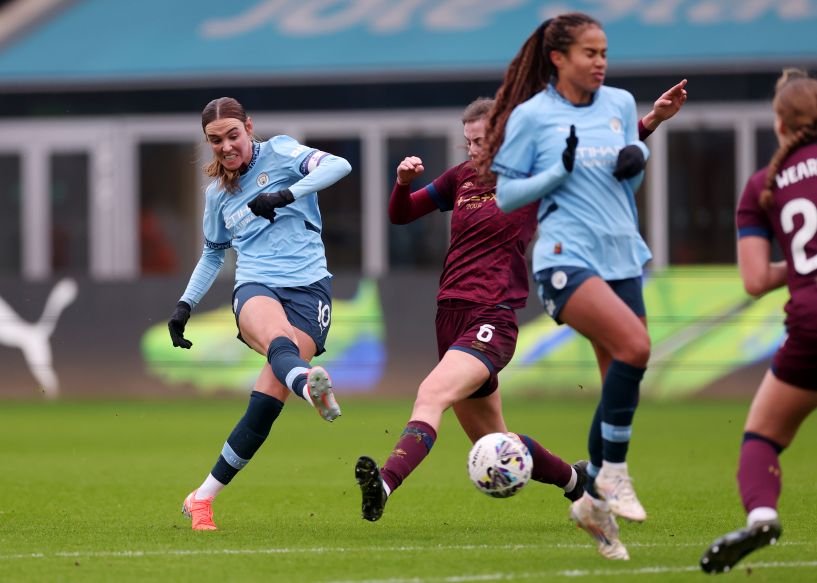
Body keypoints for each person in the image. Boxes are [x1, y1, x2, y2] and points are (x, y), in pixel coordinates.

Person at [355, 75, 685, 525]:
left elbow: (598, 156)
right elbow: (402, 214)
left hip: (493, 315)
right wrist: (401, 182)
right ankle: (579, 481)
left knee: (431, 393)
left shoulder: (533, 175)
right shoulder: (461, 179)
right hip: (448, 314)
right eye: (468, 141)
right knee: (496, 445)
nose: (474, 149)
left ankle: (385, 483)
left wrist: (651, 121)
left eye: (482, 140)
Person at [480, 13, 684, 560]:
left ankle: (592, 501)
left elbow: (627, 179)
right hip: (565, 256)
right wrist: (556, 173)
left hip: (622, 254)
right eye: (589, 53)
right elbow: (505, 196)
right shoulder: (532, 116)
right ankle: (613, 474)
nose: (599, 62)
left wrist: (636, 157)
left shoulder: (619, 104)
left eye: (604, 53)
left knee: (620, 373)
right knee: (637, 348)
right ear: (558, 58)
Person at [167, 96, 351, 531]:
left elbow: (339, 166)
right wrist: (184, 305)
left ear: (249, 127)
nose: (227, 146)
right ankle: (310, 385)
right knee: (279, 342)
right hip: (256, 286)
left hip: (310, 289)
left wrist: (286, 193)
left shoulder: (283, 152)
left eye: (233, 135)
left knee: (264, 407)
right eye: (216, 141)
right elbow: (213, 255)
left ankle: (202, 497)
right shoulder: (216, 196)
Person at [700, 69, 817, 574]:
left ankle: (763, 515)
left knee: (763, 435)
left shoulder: (761, 187)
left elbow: (752, 281)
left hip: (810, 325)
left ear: (778, 122)